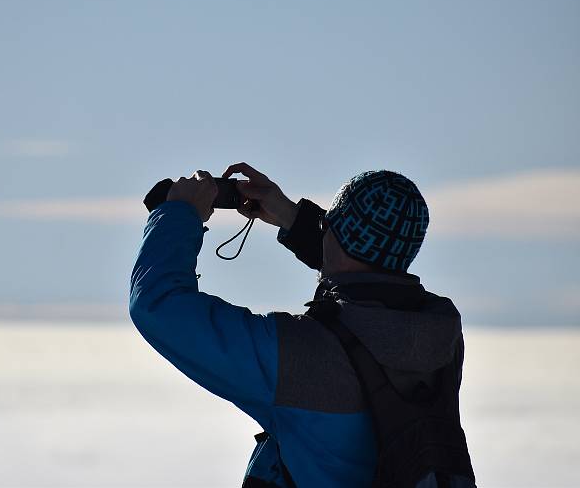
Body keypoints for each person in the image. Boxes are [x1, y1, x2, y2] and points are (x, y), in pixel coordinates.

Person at [129, 163, 472, 487]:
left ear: (333, 234)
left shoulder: (298, 354)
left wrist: (177, 215)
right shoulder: (441, 332)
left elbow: (157, 305)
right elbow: (368, 274)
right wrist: (293, 218)